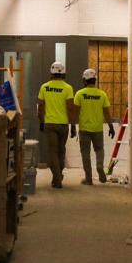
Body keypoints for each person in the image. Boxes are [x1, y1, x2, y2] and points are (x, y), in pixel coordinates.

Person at [37, 61, 76, 189]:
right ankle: (58, 177)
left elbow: (41, 107)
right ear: (63, 73)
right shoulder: (68, 88)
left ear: (51, 73)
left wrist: (41, 121)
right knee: (61, 151)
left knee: (52, 152)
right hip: (63, 125)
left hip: (49, 124)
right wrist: (73, 125)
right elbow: (71, 108)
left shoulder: (44, 87)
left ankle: (57, 178)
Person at [73, 68, 116, 185]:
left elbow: (75, 112)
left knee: (85, 153)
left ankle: (88, 178)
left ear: (84, 80)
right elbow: (107, 113)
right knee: (99, 149)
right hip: (98, 129)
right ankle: (99, 165)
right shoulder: (102, 94)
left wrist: (72, 125)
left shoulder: (79, 94)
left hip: (84, 129)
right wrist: (111, 126)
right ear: (95, 80)